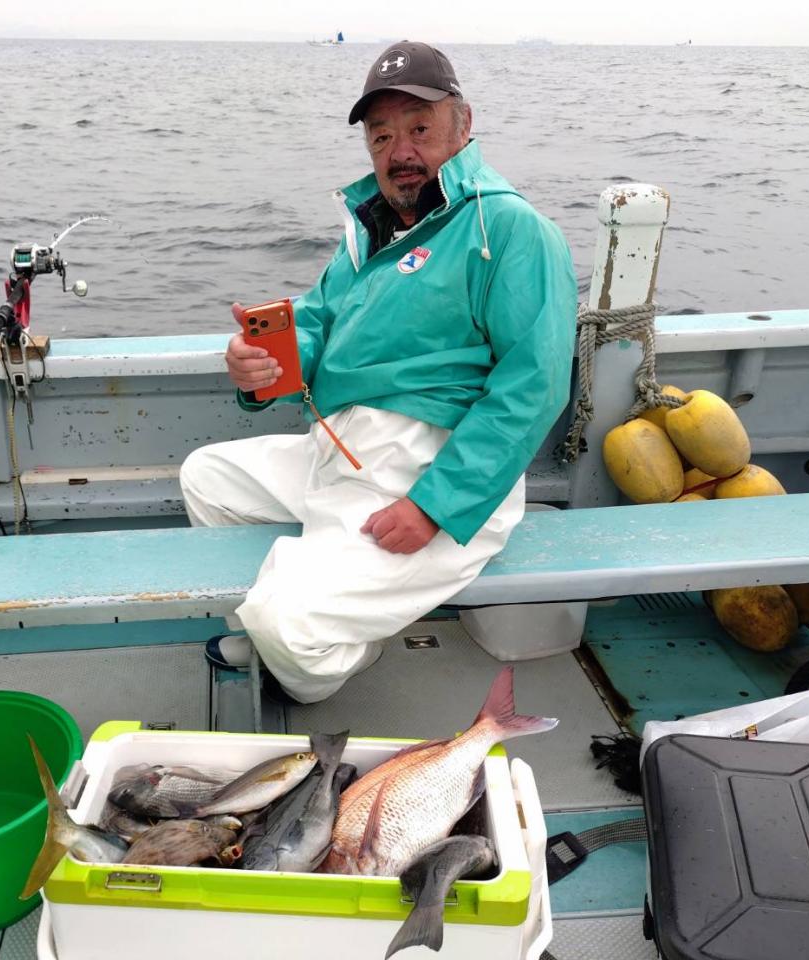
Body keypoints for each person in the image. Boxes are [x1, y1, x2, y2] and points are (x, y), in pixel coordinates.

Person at [179, 41, 577, 704]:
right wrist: (261, 366)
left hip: (425, 466)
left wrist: (434, 506)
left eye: (419, 128)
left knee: (284, 626)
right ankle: (328, 603)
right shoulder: (371, 230)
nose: (400, 152)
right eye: (382, 135)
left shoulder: (510, 229)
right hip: (338, 447)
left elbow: (531, 388)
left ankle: (322, 654)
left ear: (464, 124)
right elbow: (317, 321)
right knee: (207, 478)